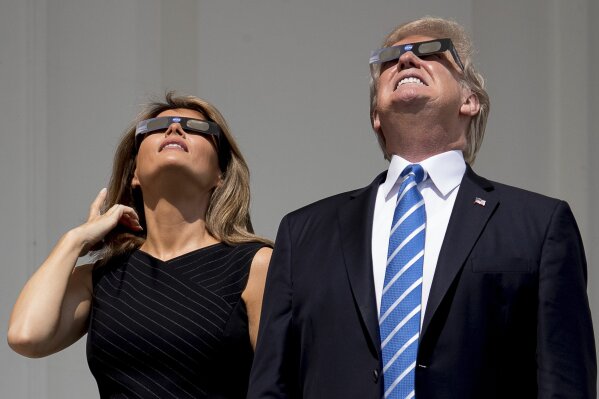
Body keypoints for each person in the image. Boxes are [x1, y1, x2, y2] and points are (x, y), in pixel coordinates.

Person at [247, 16, 596, 398]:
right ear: (376, 117)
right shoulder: (304, 234)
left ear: (470, 100)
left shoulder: (539, 225)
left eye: (431, 51)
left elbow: (565, 383)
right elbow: (271, 385)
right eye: (389, 58)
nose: (406, 60)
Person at [8, 93, 272, 398]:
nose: (174, 129)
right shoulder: (102, 278)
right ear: (134, 173)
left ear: (220, 175)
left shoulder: (256, 266)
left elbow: (284, 382)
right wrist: (74, 240)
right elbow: (25, 336)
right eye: (157, 126)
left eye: (196, 128)